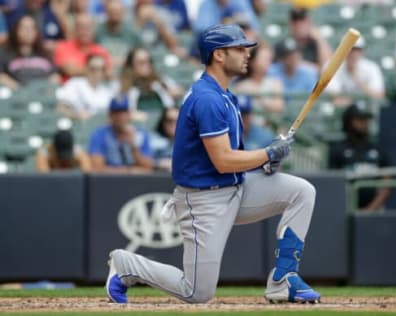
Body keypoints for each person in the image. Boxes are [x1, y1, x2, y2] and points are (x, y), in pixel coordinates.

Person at [105, 24, 320, 305]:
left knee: (302, 192)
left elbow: (231, 159)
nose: (247, 55)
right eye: (240, 49)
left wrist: (264, 163)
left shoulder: (224, 94)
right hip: (204, 200)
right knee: (197, 292)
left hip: (235, 187)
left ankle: (283, 279)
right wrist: (266, 153)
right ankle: (126, 265)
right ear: (219, 55)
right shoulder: (207, 98)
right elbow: (223, 160)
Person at [328, 103, 390, 212]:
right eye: (360, 119)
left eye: (366, 119)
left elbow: (387, 182)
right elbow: (332, 184)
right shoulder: (338, 150)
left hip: (374, 210)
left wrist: (371, 209)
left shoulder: (378, 150)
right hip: (344, 210)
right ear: (348, 122)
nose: (364, 123)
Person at [88, 95, 154, 173]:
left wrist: (133, 145)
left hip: (136, 181)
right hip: (109, 181)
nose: (121, 117)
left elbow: (148, 167)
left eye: (124, 112)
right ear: (110, 115)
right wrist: (128, 171)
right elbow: (97, 168)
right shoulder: (99, 135)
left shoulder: (141, 134)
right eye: (117, 113)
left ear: (129, 114)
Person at [0, 14, 59, 90]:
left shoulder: (45, 54)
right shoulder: (5, 53)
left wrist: (48, 89)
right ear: (15, 30)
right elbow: (1, 76)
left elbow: (55, 76)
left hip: (44, 94)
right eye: (24, 28)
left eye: (31, 28)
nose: (28, 31)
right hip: (16, 94)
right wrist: (18, 89)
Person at [117, 46, 183, 112]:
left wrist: (176, 92)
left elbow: (178, 91)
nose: (146, 65)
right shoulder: (121, 86)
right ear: (131, 65)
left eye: (149, 62)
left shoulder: (160, 81)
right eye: (141, 62)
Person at [326, 37, 385, 106]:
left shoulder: (372, 68)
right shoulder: (332, 66)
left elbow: (379, 95)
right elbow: (333, 95)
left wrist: (358, 80)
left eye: (356, 50)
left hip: (365, 109)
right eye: (349, 48)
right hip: (342, 109)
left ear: (362, 52)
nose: (353, 53)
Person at [53, 13, 112, 81]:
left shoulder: (101, 51)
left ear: (94, 30)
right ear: (74, 29)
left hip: (95, 89)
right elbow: (69, 70)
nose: (85, 31)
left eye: (88, 27)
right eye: (81, 27)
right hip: (69, 89)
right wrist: (97, 70)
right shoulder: (62, 47)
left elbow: (109, 73)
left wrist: (79, 68)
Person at [56, 54, 115, 120]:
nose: (97, 72)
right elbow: (60, 108)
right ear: (86, 68)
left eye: (101, 69)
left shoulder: (107, 89)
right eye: (93, 69)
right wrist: (76, 115)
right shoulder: (75, 83)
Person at [234, 43, 284, 114]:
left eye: (269, 59)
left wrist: (256, 95)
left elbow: (279, 107)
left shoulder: (275, 83)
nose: (267, 62)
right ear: (252, 61)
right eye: (263, 59)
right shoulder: (241, 85)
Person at [95, 0, 140, 70]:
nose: (115, 15)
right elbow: (92, 53)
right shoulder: (98, 31)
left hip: (127, 72)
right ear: (106, 12)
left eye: (117, 11)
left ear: (123, 12)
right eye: (112, 11)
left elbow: (141, 52)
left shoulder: (132, 32)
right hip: (104, 73)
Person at [287, 7, 332, 72]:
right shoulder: (285, 43)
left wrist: (319, 40)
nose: (299, 24)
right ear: (290, 24)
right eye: (295, 21)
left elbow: (328, 68)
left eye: (302, 20)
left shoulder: (316, 42)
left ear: (309, 22)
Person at [150, 106, 179, 172]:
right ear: (163, 122)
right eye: (169, 120)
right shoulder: (152, 139)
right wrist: (159, 163)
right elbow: (145, 162)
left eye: (177, 120)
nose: (173, 124)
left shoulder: (191, 141)